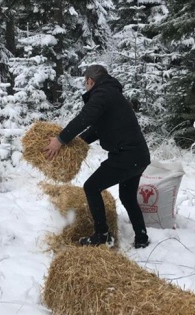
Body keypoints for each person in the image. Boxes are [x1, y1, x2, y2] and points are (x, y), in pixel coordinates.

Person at [43, 65, 151, 248]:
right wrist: (77, 144)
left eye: (85, 83)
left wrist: (60, 140)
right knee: (128, 197)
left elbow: (85, 118)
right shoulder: (111, 94)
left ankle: (102, 235)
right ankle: (141, 237)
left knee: (91, 186)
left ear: (90, 81)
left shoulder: (102, 93)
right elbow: (98, 128)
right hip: (138, 156)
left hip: (126, 155)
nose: (85, 87)